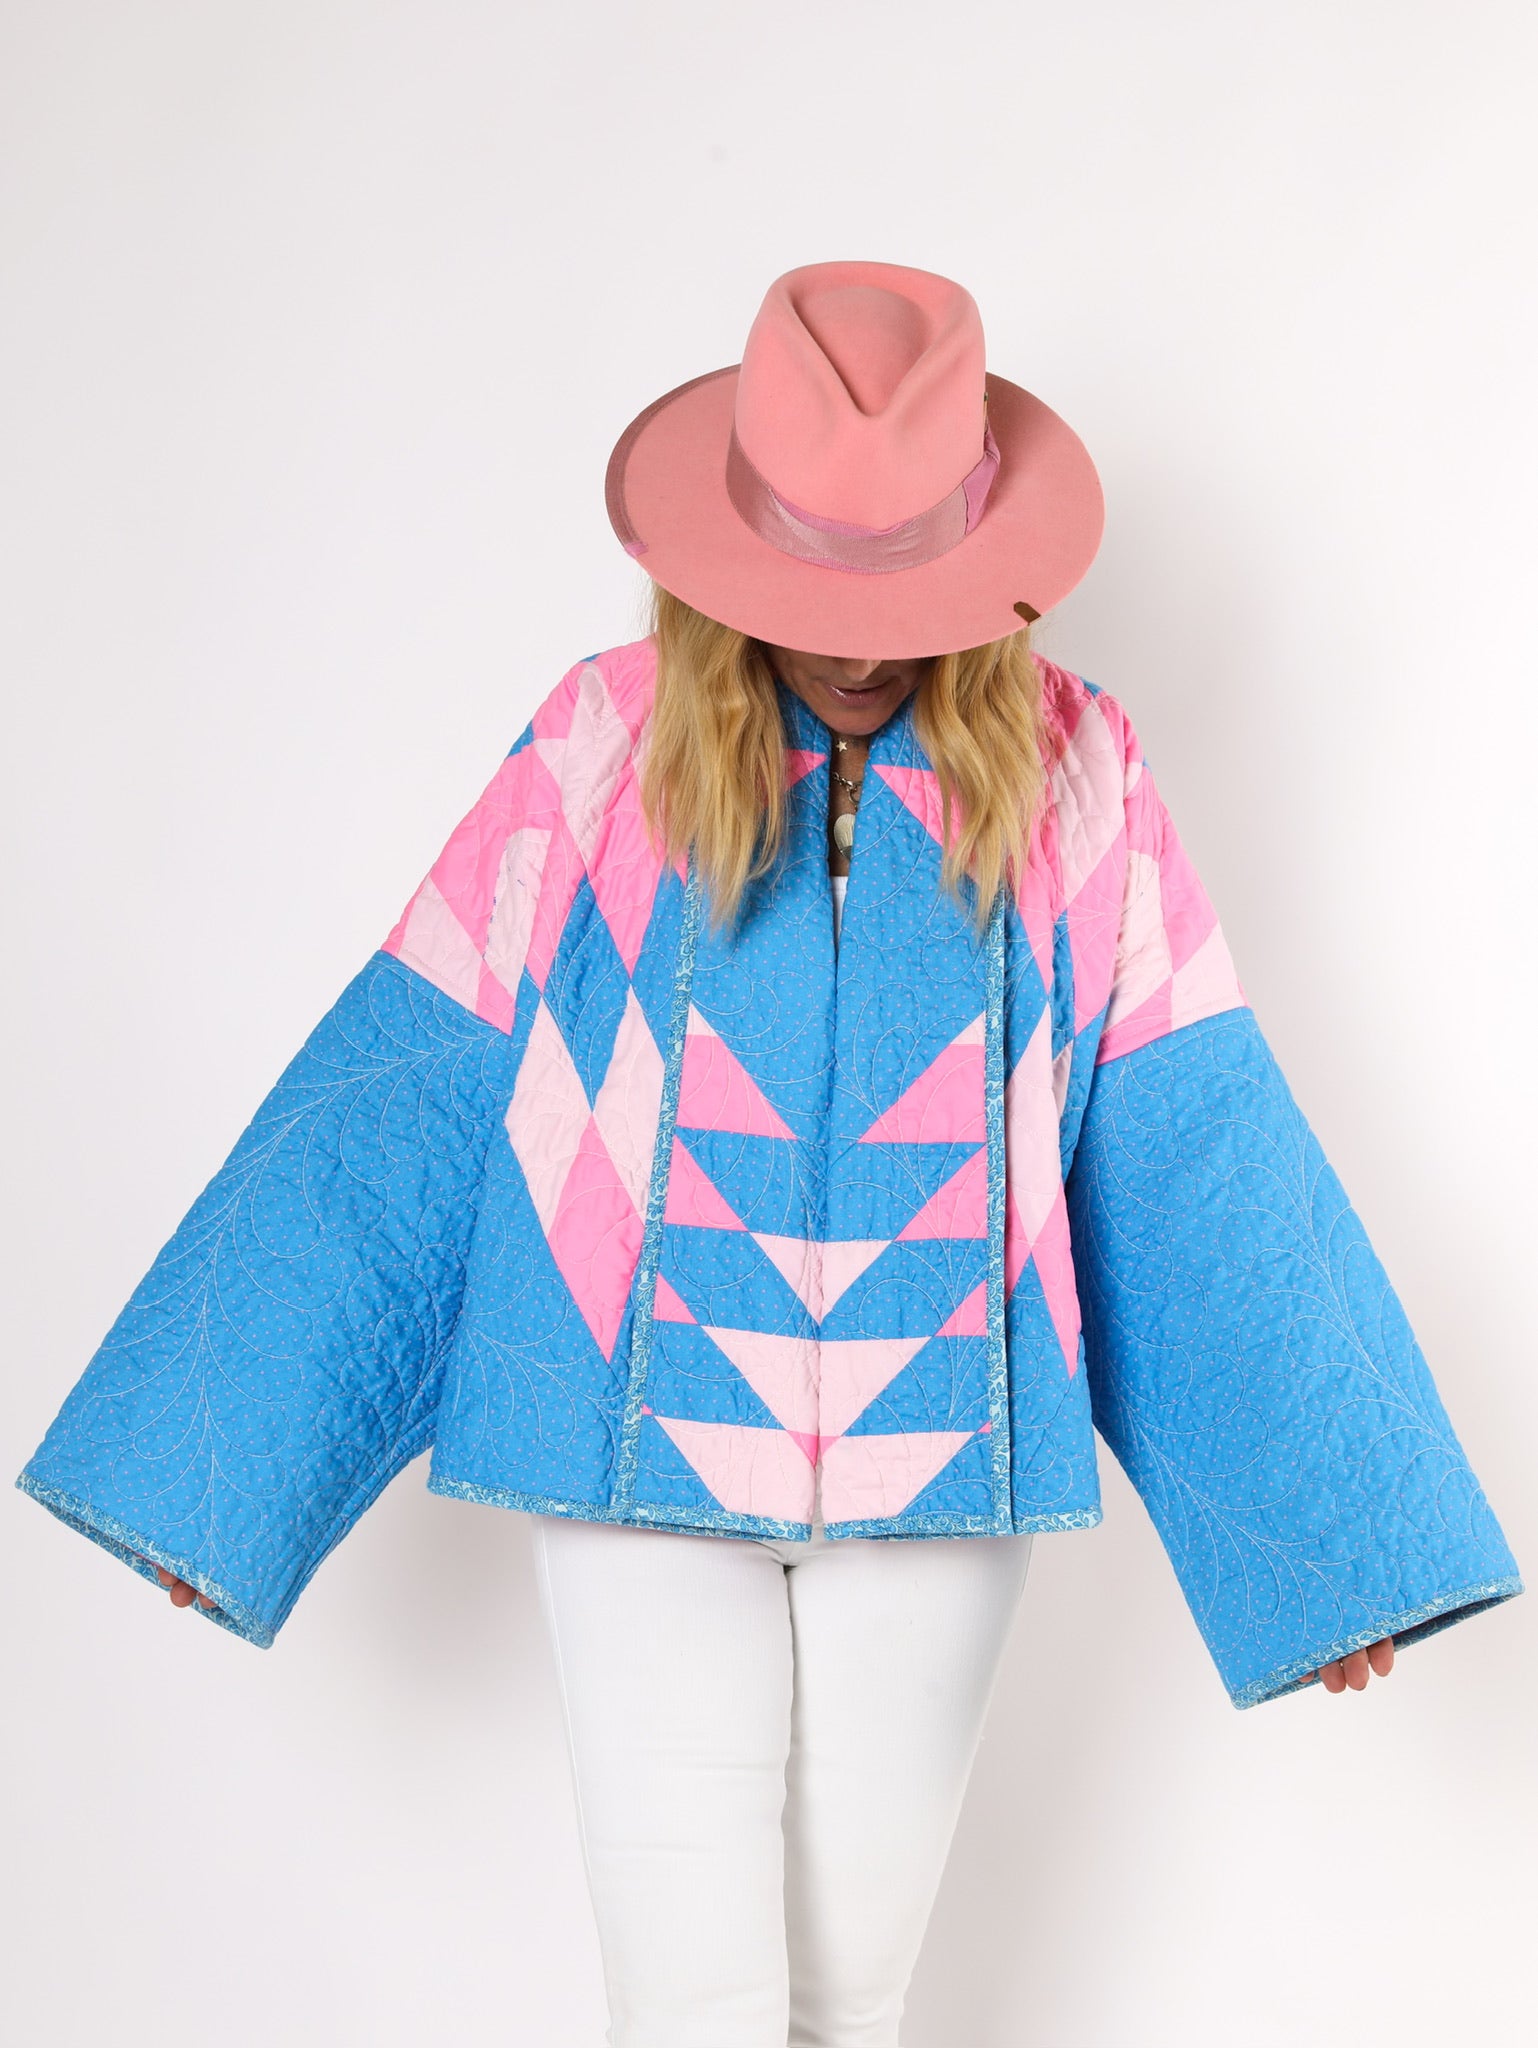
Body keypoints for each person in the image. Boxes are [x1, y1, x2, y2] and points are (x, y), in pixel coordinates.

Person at [19, 261, 1521, 2048]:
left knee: (848, 2004)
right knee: (692, 2005)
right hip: (623, 1441)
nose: (864, 650)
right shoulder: (599, 748)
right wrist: (228, 1461)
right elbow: (417, 1073)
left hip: (941, 1454)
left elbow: (1190, 1134)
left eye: (907, 597)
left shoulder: (1081, 773)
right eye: (822, 594)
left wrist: (1333, 1537)